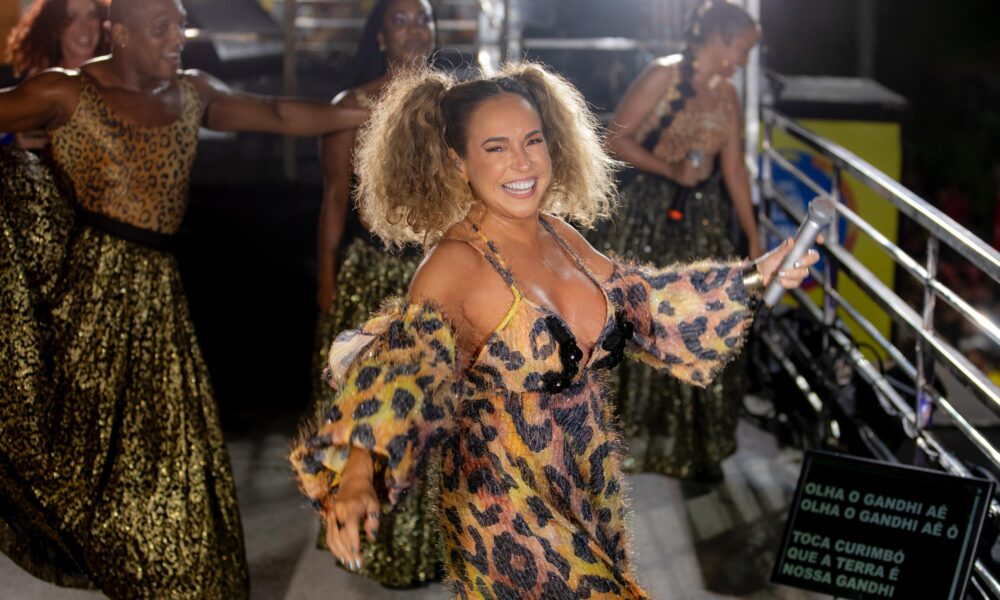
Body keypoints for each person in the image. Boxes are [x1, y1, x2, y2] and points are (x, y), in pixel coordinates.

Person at [290, 62, 817, 598]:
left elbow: (643, 302)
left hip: (587, 485)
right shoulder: (455, 264)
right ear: (457, 162)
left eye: (533, 140)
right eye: (495, 147)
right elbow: (402, 369)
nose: (522, 163)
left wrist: (757, 275)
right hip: (505, 503)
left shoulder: (559, 234)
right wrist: (358, 474)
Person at [0, 0, 366, 596]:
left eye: (180, 24)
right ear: (120, 35)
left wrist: (362, 110)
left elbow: (275, 112)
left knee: (178, 447)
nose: (178, 37)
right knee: (88, 453)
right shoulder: (66, 91)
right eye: (162, 28)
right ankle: (121, 558)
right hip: (86, 298)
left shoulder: (192, 91)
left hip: (160, 296)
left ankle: (185, 575)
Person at [589, 0, 762, 482]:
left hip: (702, 219)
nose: (744, 61)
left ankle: (690, 444)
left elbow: (734, 169)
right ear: (721, 40)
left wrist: (753, 235)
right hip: (646, 210)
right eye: (743, 50)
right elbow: (613, 140)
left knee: (701, 319)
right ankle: (623, 438)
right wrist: (671, 170)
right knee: (638, 320)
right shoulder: (663, 76)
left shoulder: (728, 95)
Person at [310, 0, 440, 587]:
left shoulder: (451, 102)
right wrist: (327, 276)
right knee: (366, 407)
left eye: (423, 18)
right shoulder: (352, 106)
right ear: (380, 36)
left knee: (426, 407)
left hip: (435, 273)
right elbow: (335, 196)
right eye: (401, 20)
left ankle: (423, 544)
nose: (415, 30)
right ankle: (361, 526)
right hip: (370, 273)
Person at [5, 0, 110, 149]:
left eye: (92, 16)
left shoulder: (118, 78)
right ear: (55, 26)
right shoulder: (37, 84)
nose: (84, 26)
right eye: (71, 17)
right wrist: (17, 145)